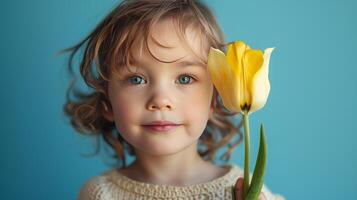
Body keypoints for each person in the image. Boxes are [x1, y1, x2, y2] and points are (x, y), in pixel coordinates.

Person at [60, 0, 285, 199]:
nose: (160, 99)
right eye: (136, 79)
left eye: (185, 78)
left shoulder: (243, 190)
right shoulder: (99, 194)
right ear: (107, 102)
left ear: (216, 99)